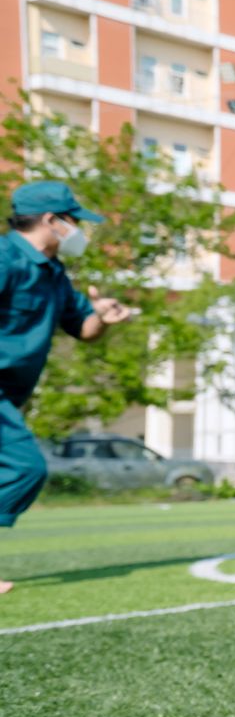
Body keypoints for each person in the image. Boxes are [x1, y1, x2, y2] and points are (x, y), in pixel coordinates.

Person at [1, 181, 134, 594]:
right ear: (51, 221)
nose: (79, 231)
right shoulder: (4, 259)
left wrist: (103, 317)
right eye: (74, 221)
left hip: (11, 397)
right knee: (25, 468)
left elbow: (84, 329)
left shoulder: (56, 275)